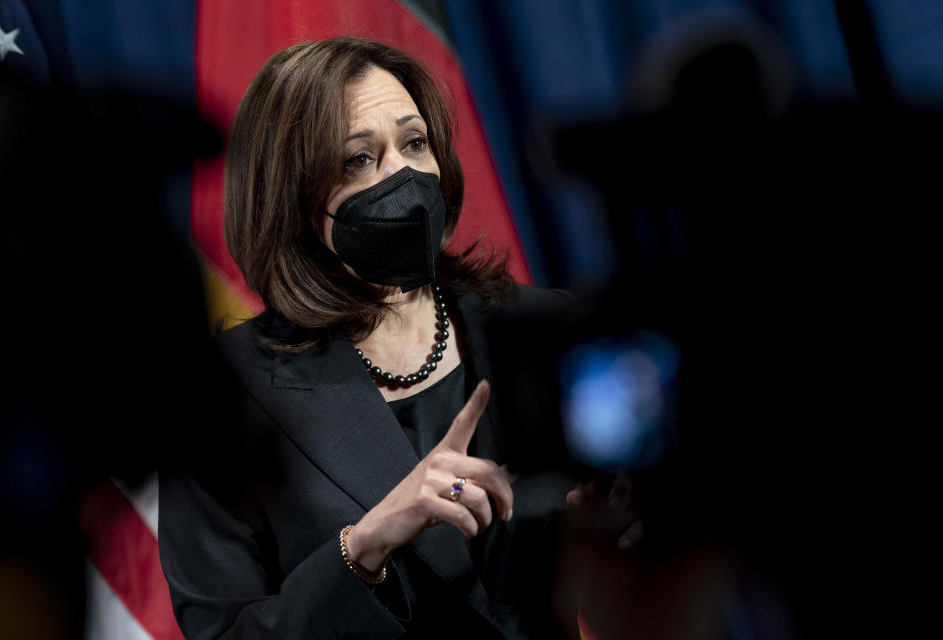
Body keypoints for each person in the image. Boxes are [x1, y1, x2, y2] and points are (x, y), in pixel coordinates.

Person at [158, 37, 639, 639]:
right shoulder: (218, 393)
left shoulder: (542, 328)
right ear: (293, 197)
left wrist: (630, 519)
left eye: (414, 143)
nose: (403, 175)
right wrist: (362, 547)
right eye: (359, 159)